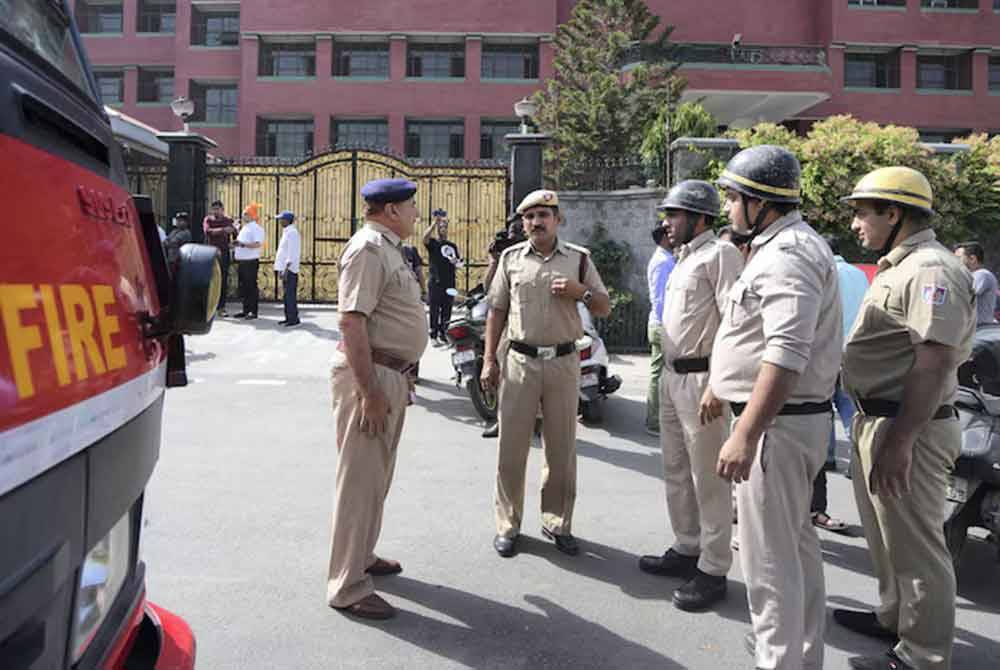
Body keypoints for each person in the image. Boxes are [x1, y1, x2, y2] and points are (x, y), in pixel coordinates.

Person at [703, 145, 842, 670]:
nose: (728, 208)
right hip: (784, 426)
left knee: (768, 563)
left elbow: (786, 352)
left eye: (734, 197)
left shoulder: (788, 255)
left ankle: (777, 661)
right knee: (796, 549)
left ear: (761, 203)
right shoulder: (778, 247)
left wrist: (747, 434)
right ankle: (800, 657)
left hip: (776, 430)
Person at [834, 167, 974, 670]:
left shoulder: (930, 270)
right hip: (879, 419)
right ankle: (895, 618)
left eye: (861, 212)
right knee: (885, 535)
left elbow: (933, 360)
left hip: (908, 425)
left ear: (894, 213)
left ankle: (923, 654)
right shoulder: (901, 265)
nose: (854, 224)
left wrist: (901, 441)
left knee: (917, 548)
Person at [481, 189, 611, 558]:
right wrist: (490, 360)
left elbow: (604, 307)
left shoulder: (579, 260)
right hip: (519, 362)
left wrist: (579, 292)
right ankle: (508, 523)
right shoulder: (509, 260)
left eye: (544, 215)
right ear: (523, 223)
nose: (536, 222)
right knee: (511, 447)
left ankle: (557, 521)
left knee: (561, 448)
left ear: (558, 219)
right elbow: (496, 312)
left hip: (563, 364)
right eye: (530, 216)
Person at [638, 180, 744, 612]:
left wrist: (720, 384)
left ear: (700, 218)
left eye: (675, 214)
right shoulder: (682, 258)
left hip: (703, 381)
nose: (667, 222)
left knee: (709, 479)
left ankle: (714, 566)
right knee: (677, 469)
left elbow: (736, 324)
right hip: (673, 376)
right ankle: (687, 547)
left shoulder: (721, 255)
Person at [326, 177, 427, 621]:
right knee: (359, 481)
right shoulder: (368, 248)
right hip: (370, 378)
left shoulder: (387, 248)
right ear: (390, 211)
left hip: (390, 374)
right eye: (411, 207)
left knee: (375, 478)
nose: (416, 215)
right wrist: (369, 392)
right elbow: (352, 323)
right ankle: (347, 586)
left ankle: (362, 556)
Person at [809, 235, 870, 536]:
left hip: (824, 353)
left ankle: (829, 457)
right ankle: (857, 460)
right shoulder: (858, 274)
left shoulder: (820, 272)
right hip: (853, 354)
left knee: (822, 412)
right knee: (849, 412)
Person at [645, 222, 675, 435]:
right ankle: (654, 421)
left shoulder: (666, 259)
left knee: (660, 373)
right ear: (664, 237)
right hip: (661, 324)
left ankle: (656, 419)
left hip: (660, 323)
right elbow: (660, 299)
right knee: (658, 374)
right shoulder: (663, 262)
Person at [423, 208, 462, 344]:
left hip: (449, 282)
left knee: (447, 309)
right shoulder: (433, 243)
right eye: (441, 227)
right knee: (434, 309)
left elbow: (458, 262)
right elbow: (425, 238)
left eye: (444, 227)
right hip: (435, 282)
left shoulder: (452, 245)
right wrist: (434, 223)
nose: (443, 229)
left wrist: (456, 262)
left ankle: (443, 333)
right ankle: (433, 334)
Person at [203, 200, 237, 316]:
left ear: (223, 209)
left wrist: (234, 241)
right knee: (211, 281)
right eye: (214, 209)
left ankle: (221, 307)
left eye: (218, 209)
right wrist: (223, 230)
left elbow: (235, 234)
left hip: (224, 254)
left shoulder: (228, 220)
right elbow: (207, 231)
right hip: (211, 254)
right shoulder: (208, 220)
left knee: (222, 280)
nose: (215, 211)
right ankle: (210, 307)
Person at [954, 241, 997, 327]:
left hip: (979, 330)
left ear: (972, 259)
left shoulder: (982, 274)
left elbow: (963, 296)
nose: (954, 261)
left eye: (958, 258)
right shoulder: (972, 275)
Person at [233, 203, 265, 320]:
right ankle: (246, 310)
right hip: (242, 261)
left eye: (246, 214)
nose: (243, 216)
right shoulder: (245, 228)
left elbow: (257, 244)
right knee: (244, 287)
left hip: (250, 261)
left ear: (252, 215)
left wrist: (241, 244)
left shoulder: (257, 228)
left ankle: (253, 311)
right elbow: (242, 243)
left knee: (251, 286)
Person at [274, 210, 301, 327]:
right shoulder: (287, 232)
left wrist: (285, 269)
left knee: (290, 295)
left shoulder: (292, 233)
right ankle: (288, 317)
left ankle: (293, 319)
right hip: (285, 269)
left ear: (287, 220)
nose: (280, 221)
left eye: (281, 219)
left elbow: (292, 253)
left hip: (289, 269)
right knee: (286, 295)